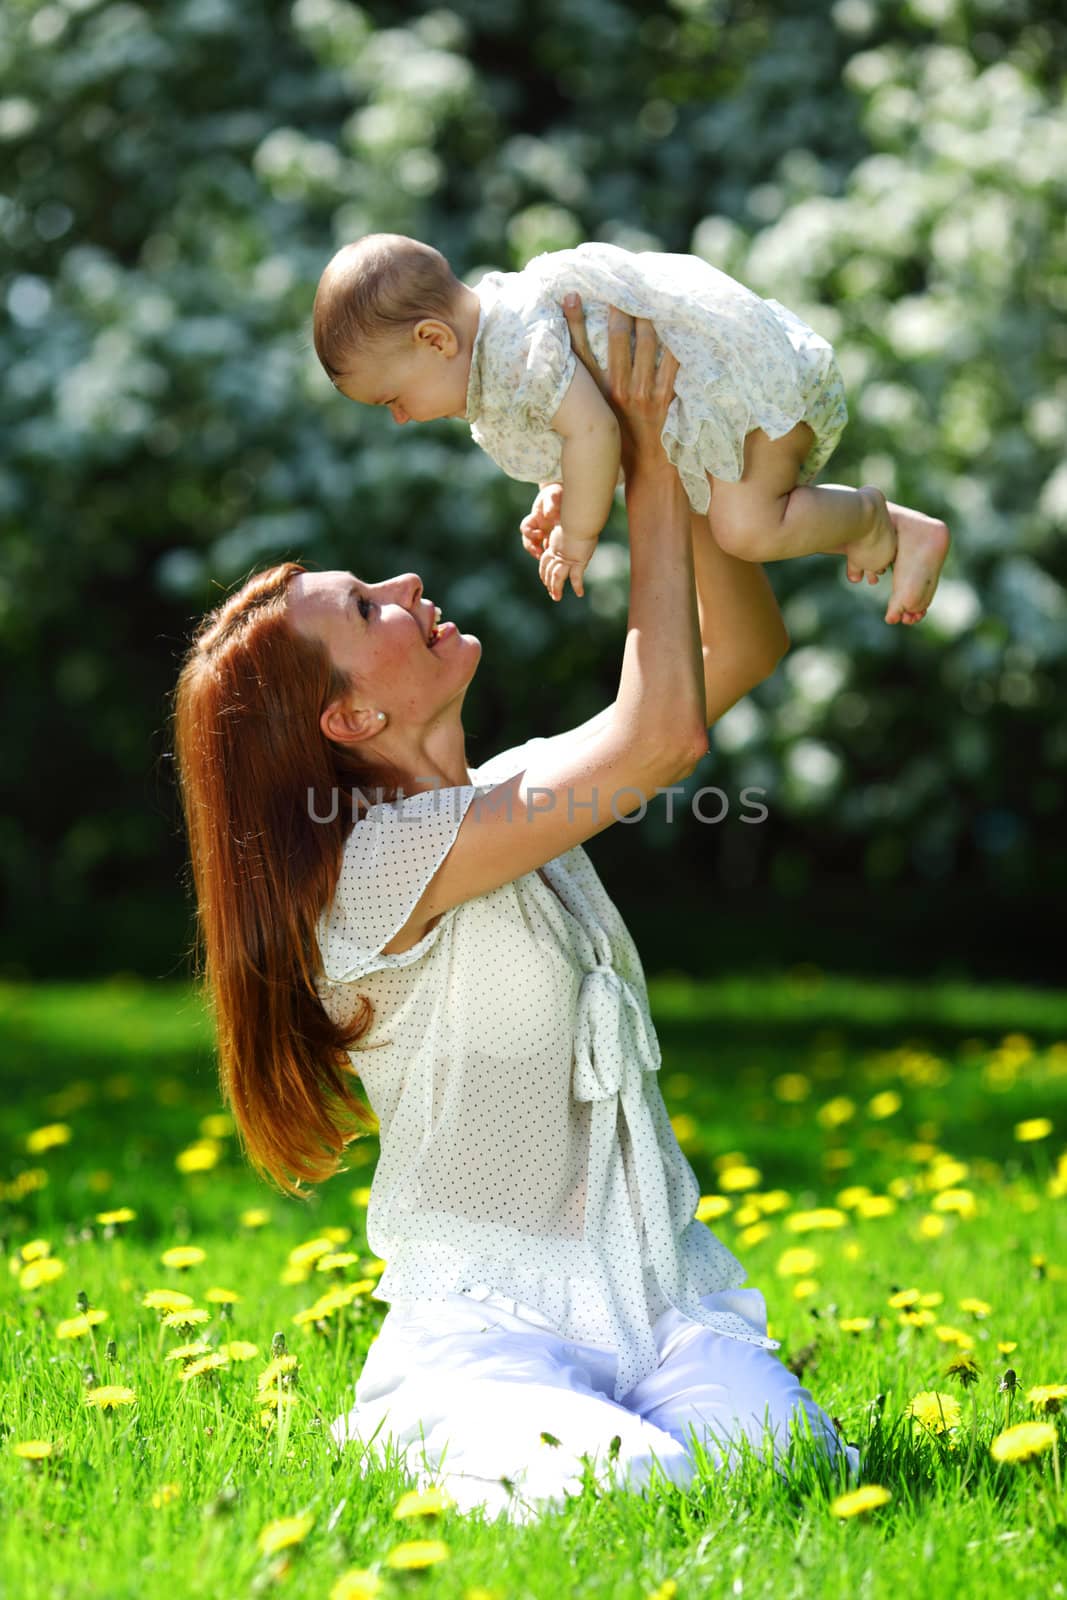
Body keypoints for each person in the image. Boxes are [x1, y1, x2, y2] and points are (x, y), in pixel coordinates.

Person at [172, 300, 861, 1527]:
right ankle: (411, 1418)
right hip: (492, 1329)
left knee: (783, 1477)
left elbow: (738, 646)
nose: (406, 582)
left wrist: (692, 459)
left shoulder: (505, 797)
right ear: (349, 722)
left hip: (656, 1309)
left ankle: (630, 1405)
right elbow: (664, 731)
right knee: (629, 1490)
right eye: (369, 608)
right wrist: (637, 461)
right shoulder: (368, 873)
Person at [312, 232, 950, 623]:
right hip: (721, 396)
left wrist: (580, 535)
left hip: (738, 388)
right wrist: (563, 489)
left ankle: (874, 521)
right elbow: (586, 423)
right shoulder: (502, 342)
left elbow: (594, 432)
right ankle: (877, 523)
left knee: (747, 528)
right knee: (741, 526)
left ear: (435, 338)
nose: (398, 418)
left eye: (393, 398)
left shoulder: (514, 349)